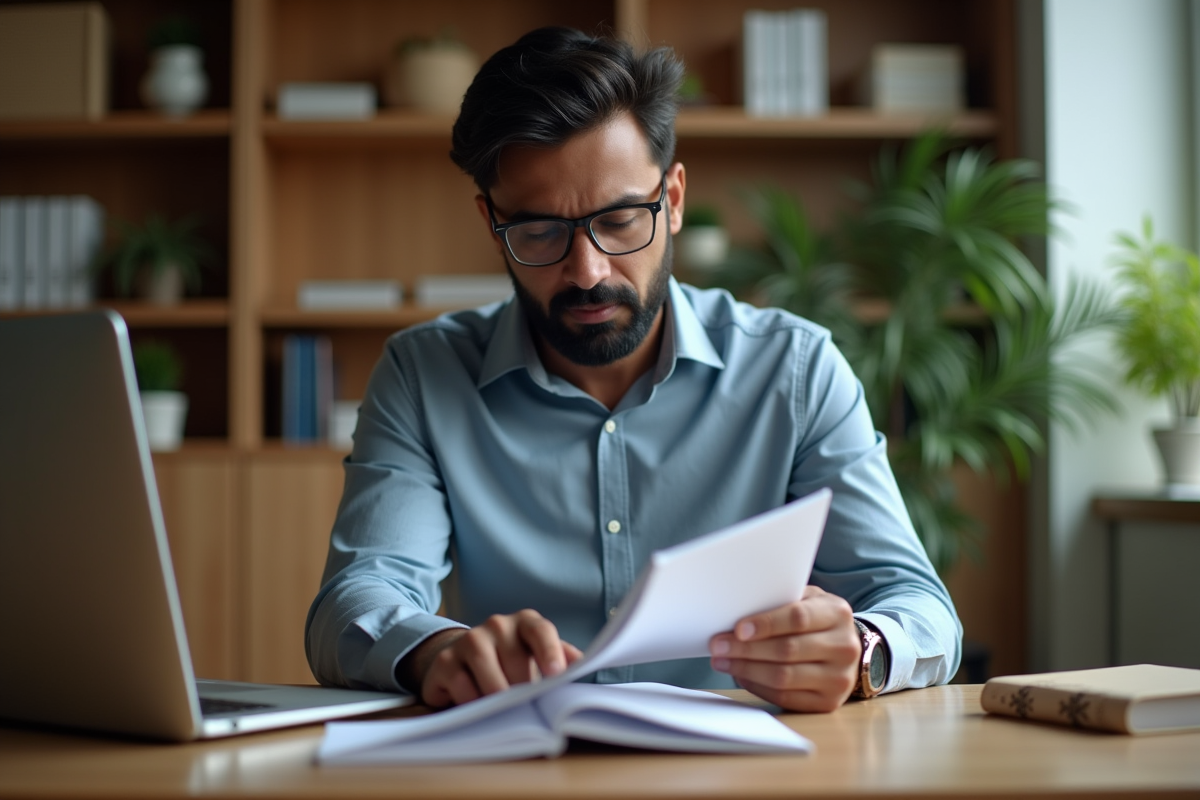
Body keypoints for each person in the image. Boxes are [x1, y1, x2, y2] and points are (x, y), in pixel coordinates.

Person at [305, 26, 961, 713]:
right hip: (517, 765)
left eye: (620, 220)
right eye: (539, 232)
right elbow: (354, 602)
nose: (587, 271)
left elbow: (920, 606)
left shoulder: (795, 370)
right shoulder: (422, 374)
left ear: (673, 200)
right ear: (490, 221)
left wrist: (861, 651)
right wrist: (435, 651)